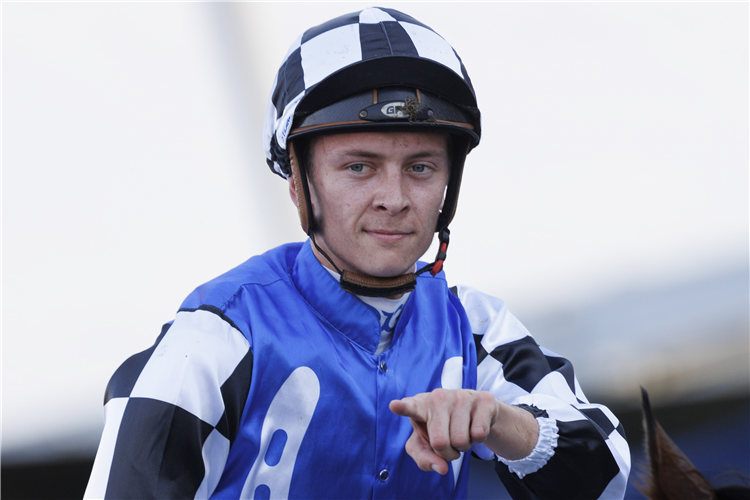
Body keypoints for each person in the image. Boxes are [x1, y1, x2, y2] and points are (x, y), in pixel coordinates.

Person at [84, 7, 630, 499]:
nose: (394, 200)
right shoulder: (215, 338)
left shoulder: (477, 328)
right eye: (359, 166)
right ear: (298, 183)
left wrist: (499, 422)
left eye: (420, 167)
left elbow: (608, 476)